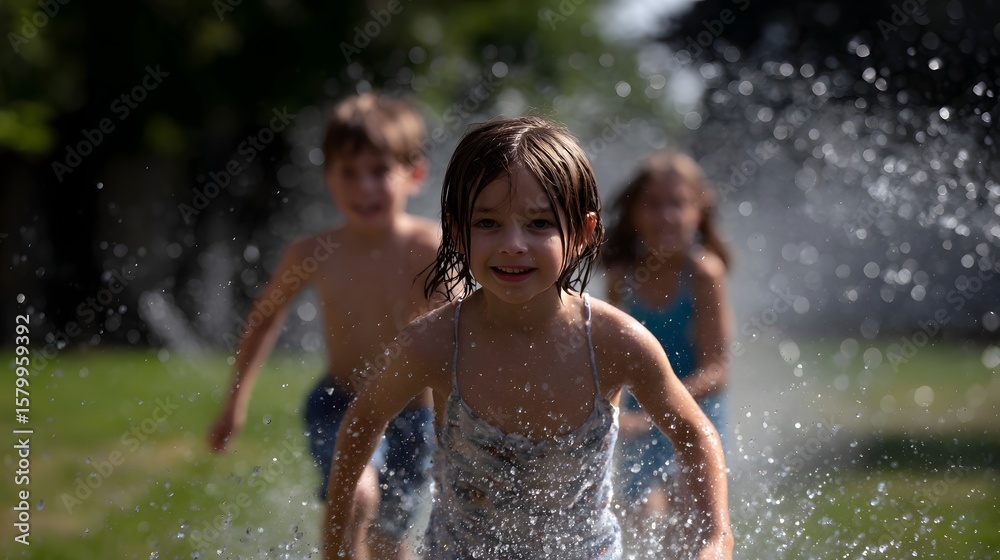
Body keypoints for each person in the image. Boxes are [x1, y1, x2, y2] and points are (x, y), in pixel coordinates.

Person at [323, 116, 733, 560]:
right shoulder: (434, 344)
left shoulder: (616, 343)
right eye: (487, 223)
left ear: (582, 232)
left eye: (539, 224)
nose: (513, 243)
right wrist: (337, 547)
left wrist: (715, 538)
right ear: (457, 230)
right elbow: (363, 422)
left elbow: (694, 434)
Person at [206, 92, 442, 560]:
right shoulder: (313, 252)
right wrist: (235, 401)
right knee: (355, 498)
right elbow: (264, 316)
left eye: (379, 171)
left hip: (414, 416)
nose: (364, 187)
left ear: (414, 174)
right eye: (348, 173)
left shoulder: (430, 248)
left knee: (388, 543)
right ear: (328, 179)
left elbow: (461, 339)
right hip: (340, 402)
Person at [602, 150, 734, 543]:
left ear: (699, 209)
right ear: (635, 213)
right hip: (638, 419)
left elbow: (717, 370)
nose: (666, 217)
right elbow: (611, 359)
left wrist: (656, 413)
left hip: (695, 414)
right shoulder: (623, 277)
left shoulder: (703, 272)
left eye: (678, 204)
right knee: (643, 519)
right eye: (653, 205)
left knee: (687, 527)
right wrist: (616, 413)